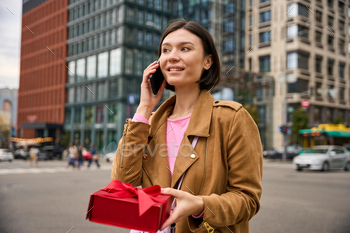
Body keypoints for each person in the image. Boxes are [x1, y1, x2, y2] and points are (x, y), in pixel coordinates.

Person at [111, 20, 263, 233]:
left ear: (207, 61)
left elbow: (248, 200)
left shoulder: (231, 118)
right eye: (165, 50)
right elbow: (122, 181)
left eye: (185, 48)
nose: (172, 55)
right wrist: (144, 108)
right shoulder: (148, 123)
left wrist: (201, 206)